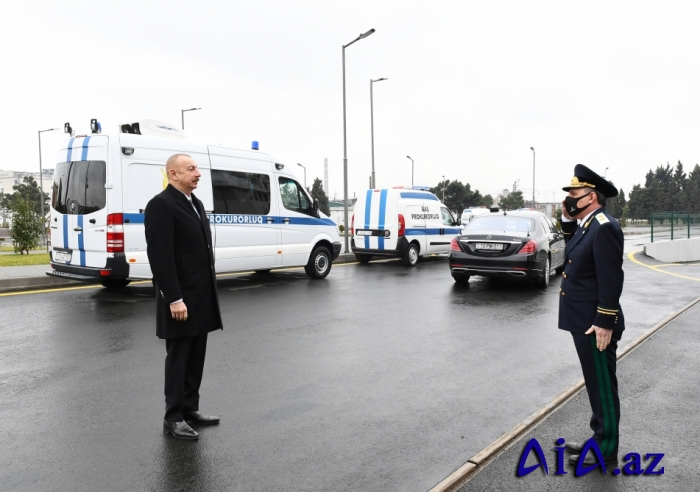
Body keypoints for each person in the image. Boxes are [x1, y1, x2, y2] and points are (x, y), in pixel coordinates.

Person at [145, 153, 223, 440]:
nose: (198, 173)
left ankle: (190, 409)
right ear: (173, 174)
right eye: (191, 169)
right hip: (180, 298)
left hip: (200, 296)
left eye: (197, 168)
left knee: (196, 357)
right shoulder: (161, 205)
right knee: (178, 358)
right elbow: (160, 257)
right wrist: (173, 298)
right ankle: (173, 417)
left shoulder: (196, 203)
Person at [558, 164, 624, 467]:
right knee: (594, 383)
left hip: (595, 323)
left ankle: (605, 449)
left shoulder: (605, 226)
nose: (570, 198)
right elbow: (574, 245)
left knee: (602, 386)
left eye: (574, 193)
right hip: (583, 320)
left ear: (591, 197)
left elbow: (611, 279)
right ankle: (599, 437)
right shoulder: (588, 223)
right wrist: (566, 216)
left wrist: (604, 321)